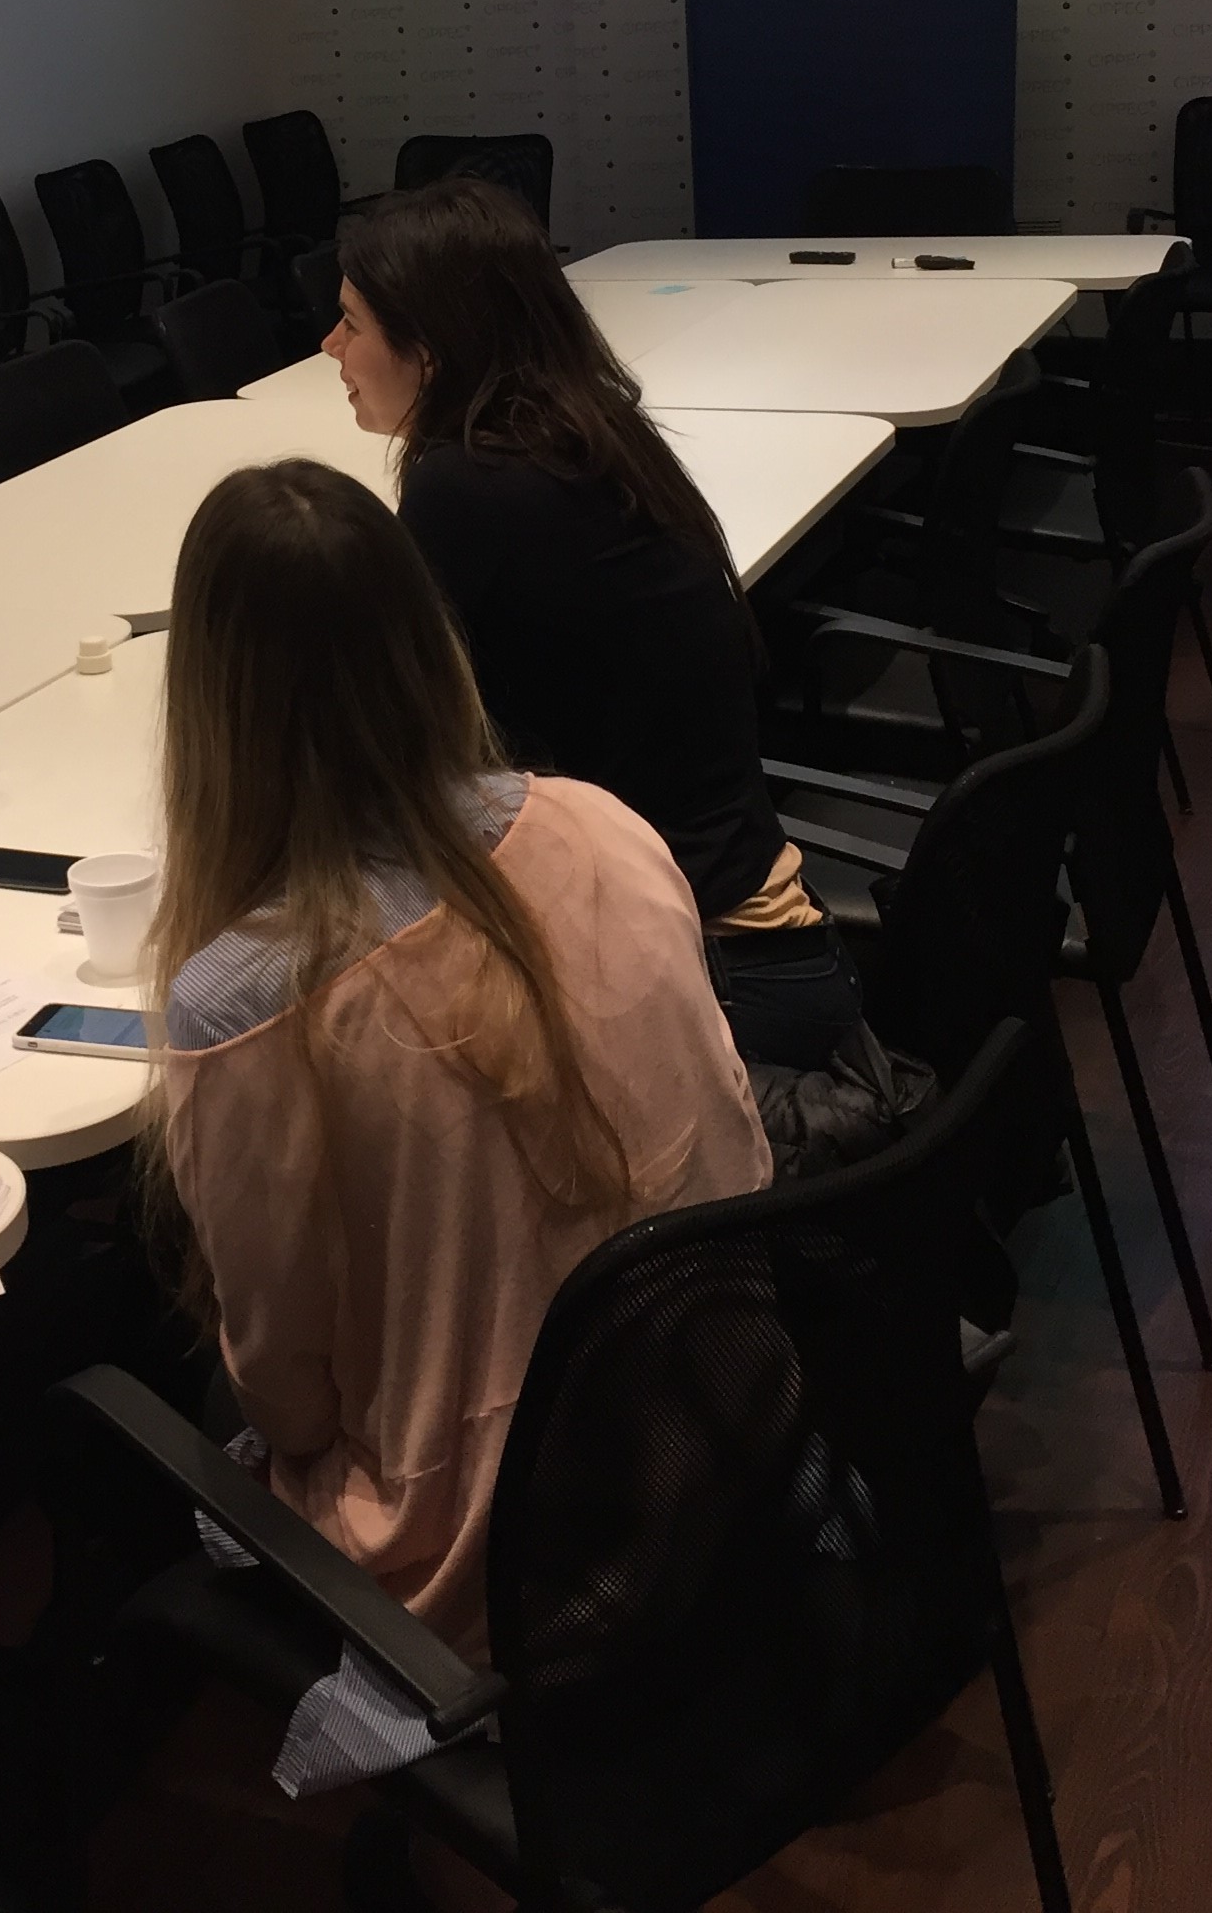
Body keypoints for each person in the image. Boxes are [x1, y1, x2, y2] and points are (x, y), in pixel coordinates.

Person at [148, 458, 770, 1657]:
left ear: (208, 708)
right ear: (427, 636)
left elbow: (291, 1400)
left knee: (188, 1388)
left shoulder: (241, 1003)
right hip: (725, 1419)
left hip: (504, 1562)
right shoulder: (604, 822)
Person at [326, 176, 866, 1074]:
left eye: (352, 322)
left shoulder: (466, 487)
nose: (330, 345)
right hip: (760, 938)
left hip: (706, 987)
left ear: (427, 350)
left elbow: (376, 739)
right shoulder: (588, 430)